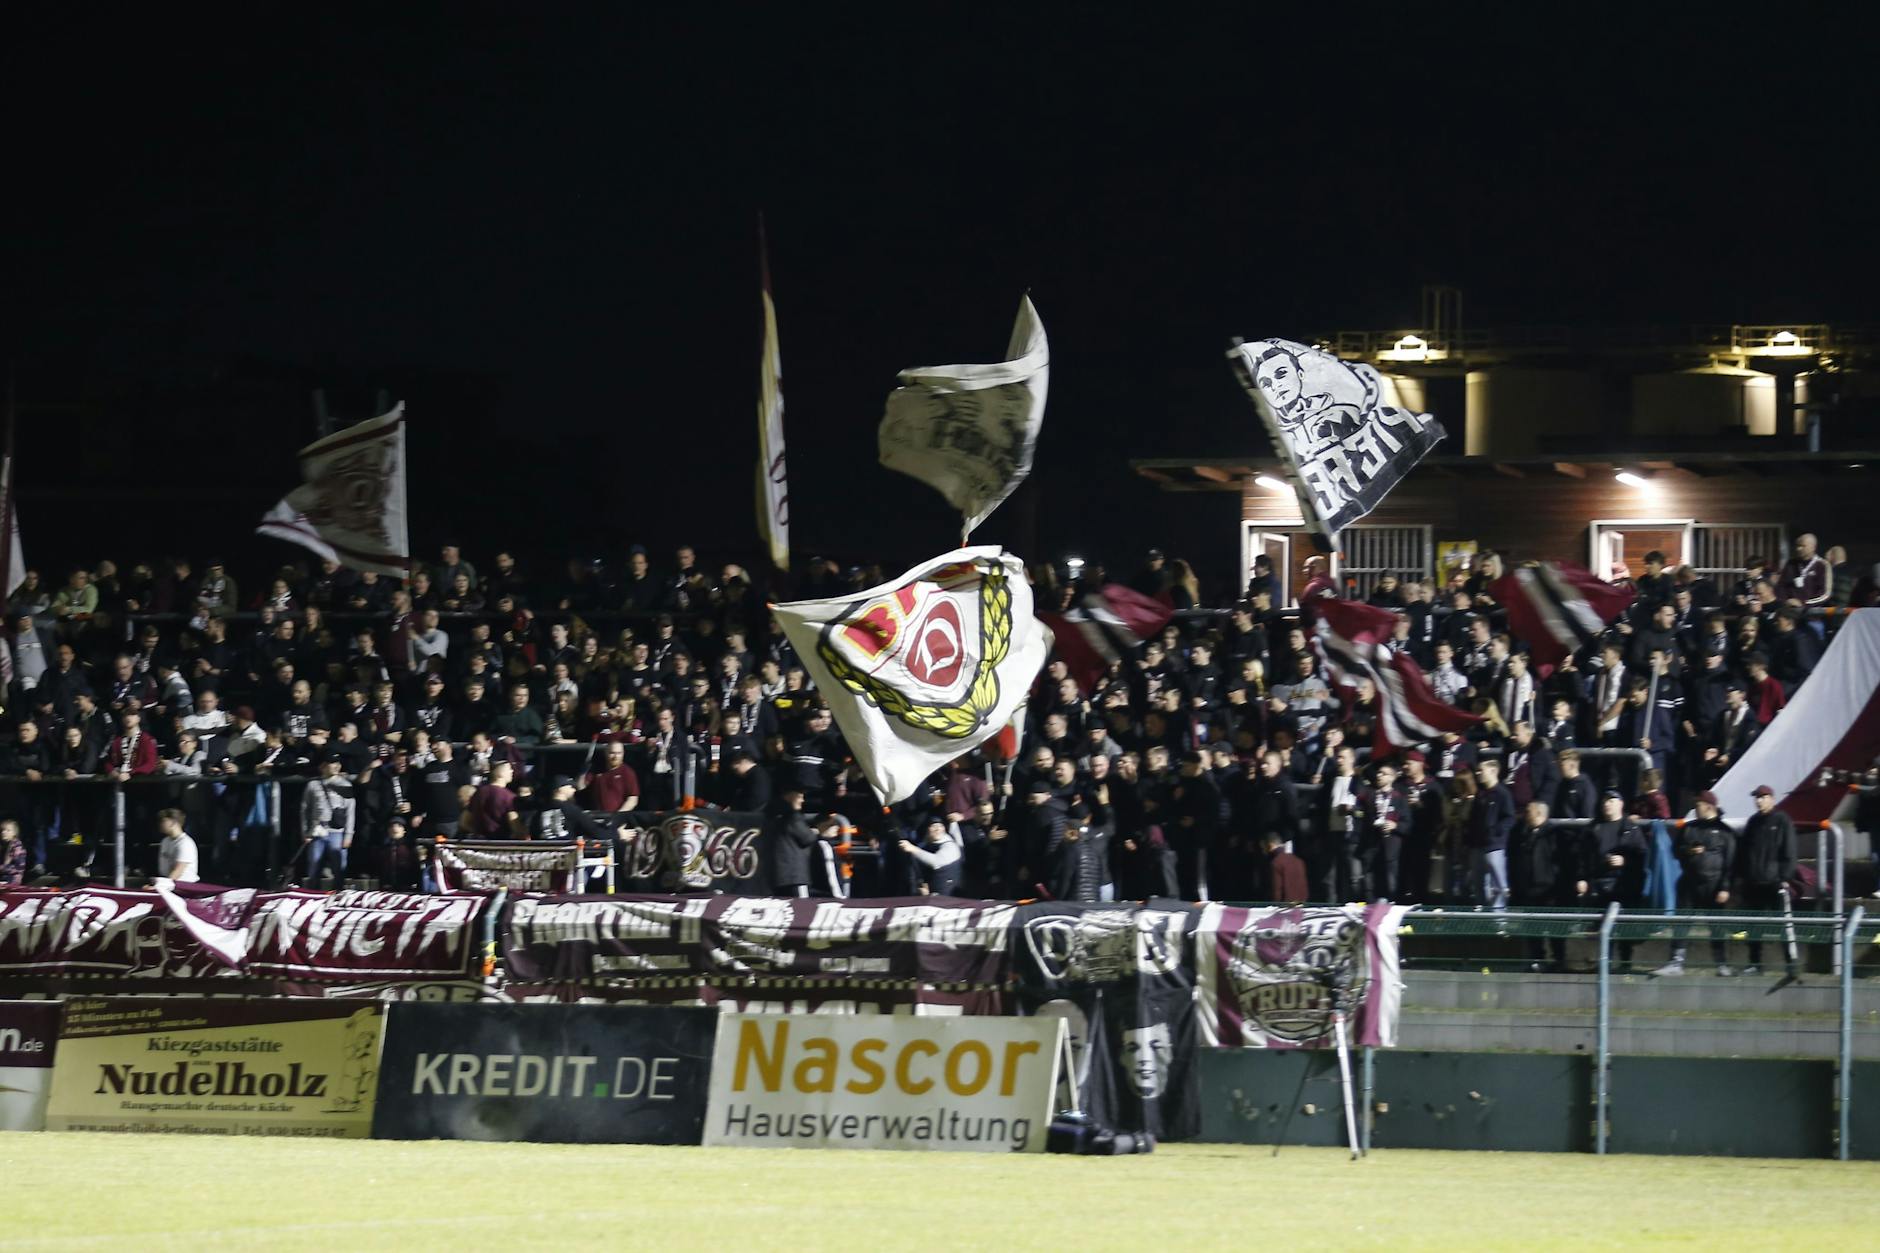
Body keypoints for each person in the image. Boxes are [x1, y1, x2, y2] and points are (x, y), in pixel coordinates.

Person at [1656, 791, 1735, 976]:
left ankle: (1721, 963)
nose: (1694, 808)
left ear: (1709, 806)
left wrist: (1725, 887)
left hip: (1714, 885)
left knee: (1716, 926)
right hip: (1689, 882)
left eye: (1698, 804)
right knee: (1682, 923)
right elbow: (1675, 850)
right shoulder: (1689, 828)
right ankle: (1676, 961)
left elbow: (1730, 863)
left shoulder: (1724, 831)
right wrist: (1689, 850)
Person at [1737, 784, 1797, 976]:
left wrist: (1785, 877)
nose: (1759, 801)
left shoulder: (1782, 820)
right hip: (1754, 882)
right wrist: (1744, 877)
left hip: (1775, 882)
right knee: (1753, 926)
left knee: (1784, 925)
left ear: (1772, 798)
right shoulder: (1753, 822)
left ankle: (1791, 963)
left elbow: (1789, 850)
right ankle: (1755, 962)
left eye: (1762, 797)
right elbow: (1744, 851)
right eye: (1756, 797)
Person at [299, 754, 357, 888]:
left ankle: (338, 895)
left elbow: (350, 811)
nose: (336, 766)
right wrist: (305, 832)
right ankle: (313, 895)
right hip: (317, 830)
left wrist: (348, 835)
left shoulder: (345, 784)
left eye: (338, 763)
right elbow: (304, 809)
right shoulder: (312, 785)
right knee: (314, 866)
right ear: (323, 766)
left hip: (337, 831)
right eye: (332, 763)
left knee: (339, 868)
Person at [1464, 759, 1515, 910]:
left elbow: (1509, 818)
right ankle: (1482, 919)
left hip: (1494, 846)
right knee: (1479, 884)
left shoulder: (1502, 793)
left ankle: (1499, 920)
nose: (1478, 774)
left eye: (1482, 770)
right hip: (1477, 846)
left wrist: (1494, 832)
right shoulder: (1480, 795)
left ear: (1493, 771)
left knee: (1498, 885)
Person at [769, 784, 819, 898]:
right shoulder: (793, 816)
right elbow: (807, 838)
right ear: (789, 796)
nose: (803, 800)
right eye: (800, 796)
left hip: (776, 876)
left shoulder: (771, 814)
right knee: (802, 909)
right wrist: (815, 832)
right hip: (795, 875)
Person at [899, 816, 963, 896]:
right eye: (933, 826)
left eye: (940, 826)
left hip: (950, 896)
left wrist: (913, 849)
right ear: (927, 830)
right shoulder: (924, 846)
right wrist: (921, 885)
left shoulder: (951, 845)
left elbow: (936, 862)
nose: (937, 829)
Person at [155, 808, 200, 882]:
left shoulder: (186, 843)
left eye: (163, 821)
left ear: (173, 823)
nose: (160, 824)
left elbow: (178, 871)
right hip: (168, 882)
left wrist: (162, 885)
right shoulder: (165, 841)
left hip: (184, 885)